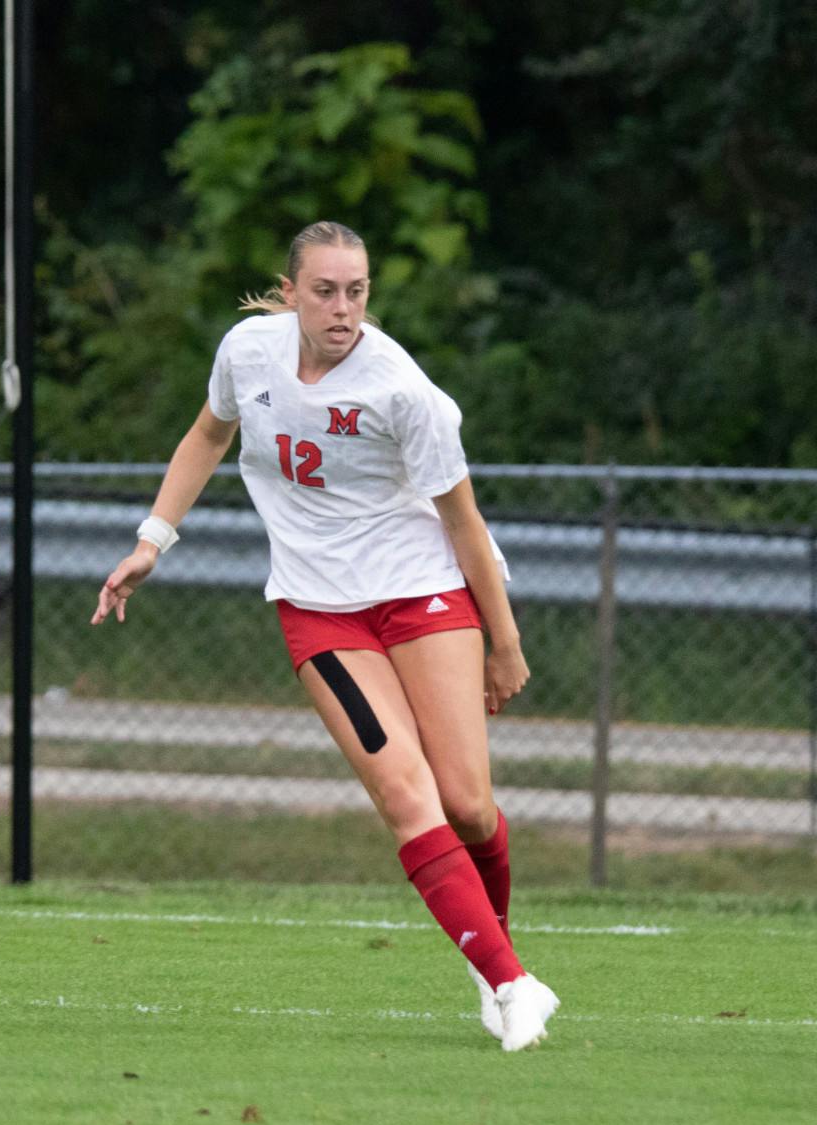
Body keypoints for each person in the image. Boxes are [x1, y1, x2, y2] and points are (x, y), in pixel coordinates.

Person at [90, 220, 560, 1052]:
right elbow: (208, 434)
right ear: (290, 291)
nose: (343, 309)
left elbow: (464, 521)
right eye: (325, 291)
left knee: (469, 807)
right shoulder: (249, 353)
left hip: (423, 594)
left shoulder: (402, 391)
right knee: (406, 797)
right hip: (320, 609)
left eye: (358, 291)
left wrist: (504, 641)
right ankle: (513, 983)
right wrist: (150, 542)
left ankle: (491, 954)